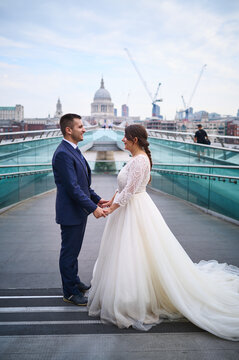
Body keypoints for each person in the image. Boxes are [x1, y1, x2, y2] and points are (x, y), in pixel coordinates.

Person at [88, 124, 239, 341]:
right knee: (131, 255)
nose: (122, 140)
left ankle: (134, 298)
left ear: (135, 140)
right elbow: (123, 187)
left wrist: (109, 210)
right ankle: (130, 294)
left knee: (135, 254)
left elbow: (130, 191)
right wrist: (110, 201)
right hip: (129, 210)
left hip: (135, 211)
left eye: (125, 137)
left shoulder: (140, 160)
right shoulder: (136, 159)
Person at [52, 113, 108, 306]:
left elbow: (83, 184)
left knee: (73, 252)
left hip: (77, 212)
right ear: (69, 130)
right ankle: (69, 292)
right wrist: (93, 208)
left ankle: (74, 281)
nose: (85, 129)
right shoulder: (62, 154)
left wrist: (98, 200)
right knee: (69, 253)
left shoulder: (74, 150)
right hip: (70, 213)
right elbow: (72, 188)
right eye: (80, 126)